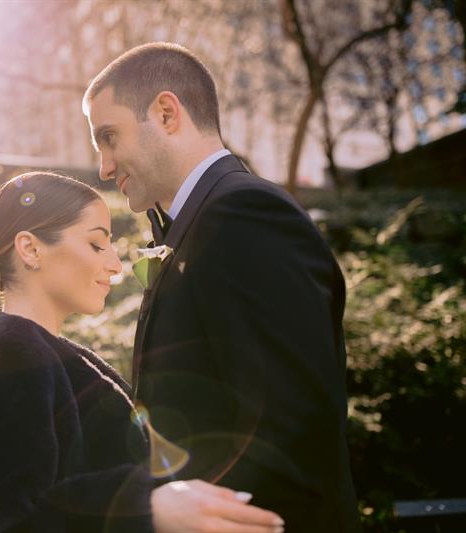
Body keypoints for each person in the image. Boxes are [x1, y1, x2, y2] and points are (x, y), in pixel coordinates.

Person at [0, 172, 285, 533]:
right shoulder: (1, 363)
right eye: (97, 243)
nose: (115, 264)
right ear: (30, 249)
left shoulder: (42, 359)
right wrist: (146, 508)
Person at [82, 43, 361, 532]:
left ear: (167, 113)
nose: (104, 166)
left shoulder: (245, 217)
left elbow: (293, 433)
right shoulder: (197, 222)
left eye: (109, 137)